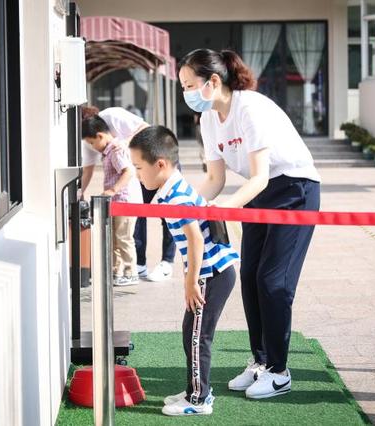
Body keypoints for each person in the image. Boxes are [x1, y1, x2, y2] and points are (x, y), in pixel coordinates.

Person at [178, 49, 321, 399]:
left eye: (189, 85)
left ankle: (279, 370)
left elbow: (258, 176)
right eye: (182, 86)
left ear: (213, 81)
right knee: (250, 277)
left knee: (273, 282)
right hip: (257, 194)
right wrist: (188, 205)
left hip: (294, 188)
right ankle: (260, 361)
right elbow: (214, 178)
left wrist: (224, 207)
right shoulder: (209, 119)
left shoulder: (249, 107)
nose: (186, 94)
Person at [129, 126, 239, 416]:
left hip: (211, 273)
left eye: (139, 168)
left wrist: (190, 282)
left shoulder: (176, 197)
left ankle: (199, 400)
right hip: (210, 271)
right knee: (191, 331)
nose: (137, 175)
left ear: (160, 164)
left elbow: (195, 239)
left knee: (197, 336)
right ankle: (195, 389)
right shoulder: (172, 187)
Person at [81, 106, 176, 282]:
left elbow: (145, 129)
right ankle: (134, 266)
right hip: (135, 178)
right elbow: (88, 169)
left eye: (92, 143)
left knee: (167, 213)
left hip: (157, 162)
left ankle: (165, 262)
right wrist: (81, 191)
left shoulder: (113, 119)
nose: (91, 147)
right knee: (132, 224)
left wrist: (125, 145)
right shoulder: (90, 139)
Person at [82, 114, 142, 286]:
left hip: (124, 201)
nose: (92, 147)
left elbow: (128, 171)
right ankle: (116, 271)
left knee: (123, 238)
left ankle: (131, 272)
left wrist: (112, 190)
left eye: (92, 143)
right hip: (117, 202)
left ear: (100, 135)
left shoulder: (116, 150)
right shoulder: (109, 152)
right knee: (114, 238)